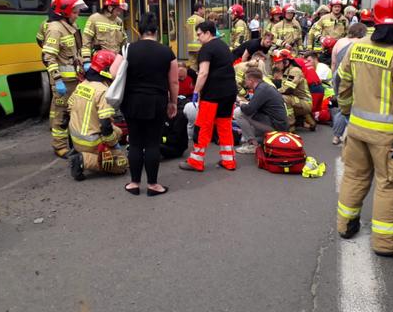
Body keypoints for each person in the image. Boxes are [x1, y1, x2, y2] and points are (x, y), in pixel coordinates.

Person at [336, 0, 393, 259]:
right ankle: (386, 243)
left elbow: (341, 83)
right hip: (387, 138)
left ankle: (345, 226)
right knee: (391, 185)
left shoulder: (357, 46)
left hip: (357, 130)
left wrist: (347, 112)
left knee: (354, 176)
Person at [121, 13, 178, 196]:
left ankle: (134, 183)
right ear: (156, 31)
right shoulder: (167, 52)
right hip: (156, 102)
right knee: (152, 143)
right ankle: (153, 185)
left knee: (135, 142)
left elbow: (114, 71)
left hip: (132, 102)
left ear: (140, 31)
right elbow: (174, 82)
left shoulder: (128, 49)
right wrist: (173, 102)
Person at [179, 21, 238, 172]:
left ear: (207, 33)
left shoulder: (206, 49)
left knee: (203, 126)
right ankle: (229, 160)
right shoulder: (224, 46)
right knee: (224, 126)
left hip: (213, 95)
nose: (198, 38)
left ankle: (196, 161)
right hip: (229, 93)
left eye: (199, 34)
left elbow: (203, 73)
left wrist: (196, 91)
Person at [68, 50, 128, 181]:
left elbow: (69, 107)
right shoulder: (103, 91)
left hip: (76, 138)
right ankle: (83, 159)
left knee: (117, 130)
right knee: (122, 163)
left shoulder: (82, 85)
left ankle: (80, 152)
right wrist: (111, 143)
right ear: (106, 70)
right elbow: (105, 126)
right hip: (91, 141)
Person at [40, 0, 87, 159]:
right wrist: (57, 79)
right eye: (75, 11)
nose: (77, 14)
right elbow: (48, 57)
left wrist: (84, 64)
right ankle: (59, 147)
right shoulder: (55, 29)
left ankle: (73, 143)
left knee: (74, 112)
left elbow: (74, 51)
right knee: (61, 115)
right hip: (63, 82)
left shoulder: (70, 26)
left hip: (74, 79)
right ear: (64, 12)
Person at [330, 23, 368, 145]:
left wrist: (333, 81)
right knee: (357, 105)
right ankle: (356, 136)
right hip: (353, 77)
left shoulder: (340, 42)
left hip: (338, 76)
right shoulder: (362, 43)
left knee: (342, 106)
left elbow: (333, 63)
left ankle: (336, 136)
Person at [234, 69, 288, 154]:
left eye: (246, 80)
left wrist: (241, 103)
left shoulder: (261, 89)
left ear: (251, 80)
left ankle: (252, 145)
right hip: (279, 124)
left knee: (238, 112)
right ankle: (258, 139)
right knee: (248, 114)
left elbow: (249, 110)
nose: (245, 82)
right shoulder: (264, 87)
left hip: (275, 126)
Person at [81, 0, 128, 68]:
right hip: (99, 63)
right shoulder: (94, 19)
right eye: (118, 9)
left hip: (115, 63)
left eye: (121, 9)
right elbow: (86, 41)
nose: (120, 12)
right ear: (110, 7)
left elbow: (124, 42)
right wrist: (86, 61)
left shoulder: (119, 21)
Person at [273, 49, 315, 131]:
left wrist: (274, 92)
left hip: (305, 102)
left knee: (283, 98)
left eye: (278, 63)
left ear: (286, 62)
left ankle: (291, 127)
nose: (276, 65)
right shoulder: (287, 71)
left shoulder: (294, 71)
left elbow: (288, 89)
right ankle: (309, 122)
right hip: (299, 100)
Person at [185, 3, 206, 72]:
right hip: (199, 46)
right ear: (199, 9)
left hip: (190, 46)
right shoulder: (201, 20)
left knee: (192, 65)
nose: (204, 11)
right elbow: (204, 33)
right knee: (201, 65)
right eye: (203, 9)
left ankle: (191, 80)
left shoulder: (188, 19)